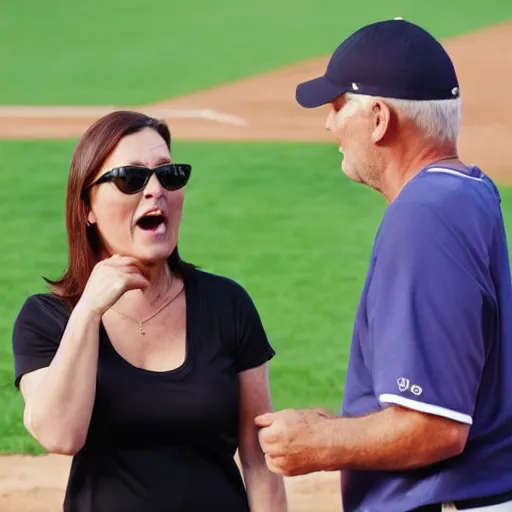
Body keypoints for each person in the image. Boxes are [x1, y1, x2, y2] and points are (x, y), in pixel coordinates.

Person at [255, 18, 512, 512]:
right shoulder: (467, 191)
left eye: (336, 107)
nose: (329, 124)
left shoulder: (426, 214)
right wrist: (335, 427)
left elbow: (435, 428)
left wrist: (318, 444)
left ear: (378, 118)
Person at [11, 110, 287, 512]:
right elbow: (60, 435)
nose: (156, 189)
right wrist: (88, 310)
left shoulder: (228, 305)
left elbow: (259, 462)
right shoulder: (47, 318)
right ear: (87, 206)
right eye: (131, 178)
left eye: (168, 174)